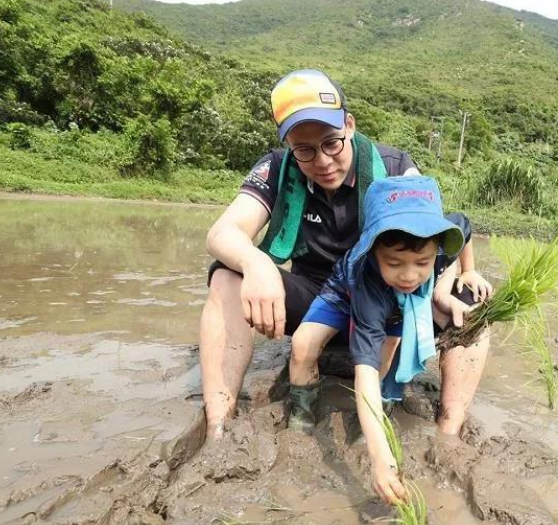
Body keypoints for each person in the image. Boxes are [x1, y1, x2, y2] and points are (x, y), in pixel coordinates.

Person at [199, 68, 489, 440]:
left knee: (474, 302)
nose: (322, 161)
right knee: (226, 274)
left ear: (349, 125)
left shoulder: (395, 169)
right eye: (304, 149)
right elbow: (222, 232)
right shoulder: (276, 168)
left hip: (385, 301)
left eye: (331, 142)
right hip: (318, 302)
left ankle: (448, 432)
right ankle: (218, 427)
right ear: (288, 145)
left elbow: (429, 240)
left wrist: (447, 282)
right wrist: (257, 263)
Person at [288, 176, 492, 505]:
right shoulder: (369, 282)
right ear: (373, 250)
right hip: (342, 294)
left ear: (437, 247)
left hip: (395, 305)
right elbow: (363, 371)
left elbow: (463, 226)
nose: (409, 275)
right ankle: (300, 417)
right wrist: (381, 459)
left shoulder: (438, 241)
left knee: (388, 354)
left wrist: (467, 270)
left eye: (422, 263)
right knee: (302, 347)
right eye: (394, 263)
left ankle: (375, 416)